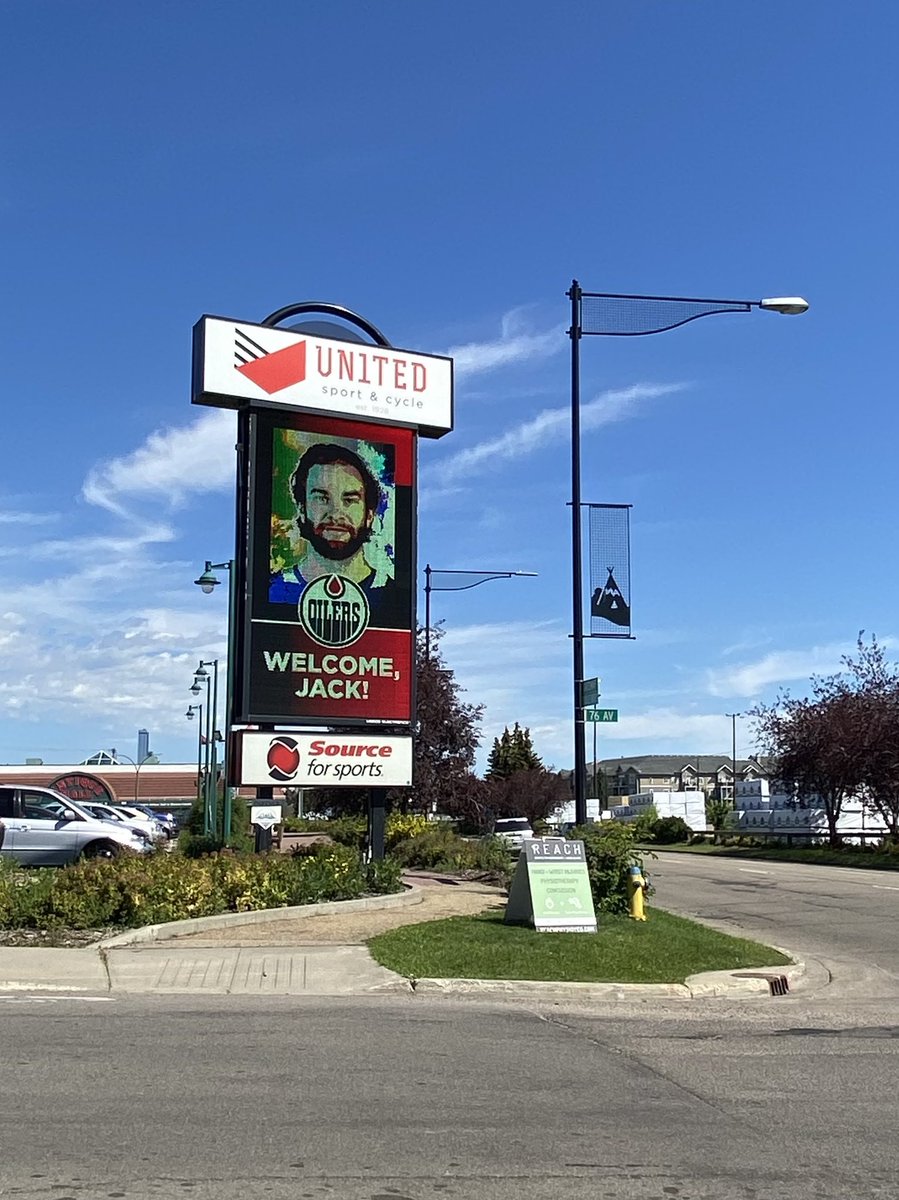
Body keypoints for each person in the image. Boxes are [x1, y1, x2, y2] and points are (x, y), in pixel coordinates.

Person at [269, 442, 393, 605]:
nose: (335, 514)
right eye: (322, 499)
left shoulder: (392, 597)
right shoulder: (273, 591)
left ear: (369, 515)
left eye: (349, 500)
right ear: (301, 508)